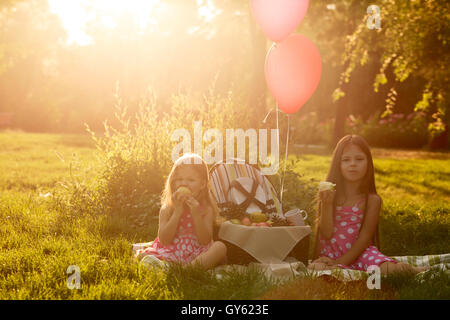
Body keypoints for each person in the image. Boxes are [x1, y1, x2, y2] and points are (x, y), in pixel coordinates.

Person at [308, 135, 428, 275]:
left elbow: (364, 239)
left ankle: (413, 270)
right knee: (314, 270)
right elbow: (326, 233)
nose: (353, 164)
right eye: (346, 159)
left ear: (368, 163)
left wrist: (339, 263)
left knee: (391, 270)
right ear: (337, 164)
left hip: (360, 254)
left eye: (359, 159)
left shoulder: (372, 200)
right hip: (330, 254)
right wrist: (327, 205)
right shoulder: (330, 194)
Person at [136, 153, 227, 270]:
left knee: (220, 247)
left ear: (202, 184)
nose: (184, 183)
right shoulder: (168, 208)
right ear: (173, 182)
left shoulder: (205, 210)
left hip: (196, 254)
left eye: (191, 180)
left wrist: (196, 214)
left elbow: (205, 241)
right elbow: (164, 240)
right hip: (171, 252)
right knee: (143, 255)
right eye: (179, 179)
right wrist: (177, 212)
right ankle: (169, 267)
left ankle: (187, 270)